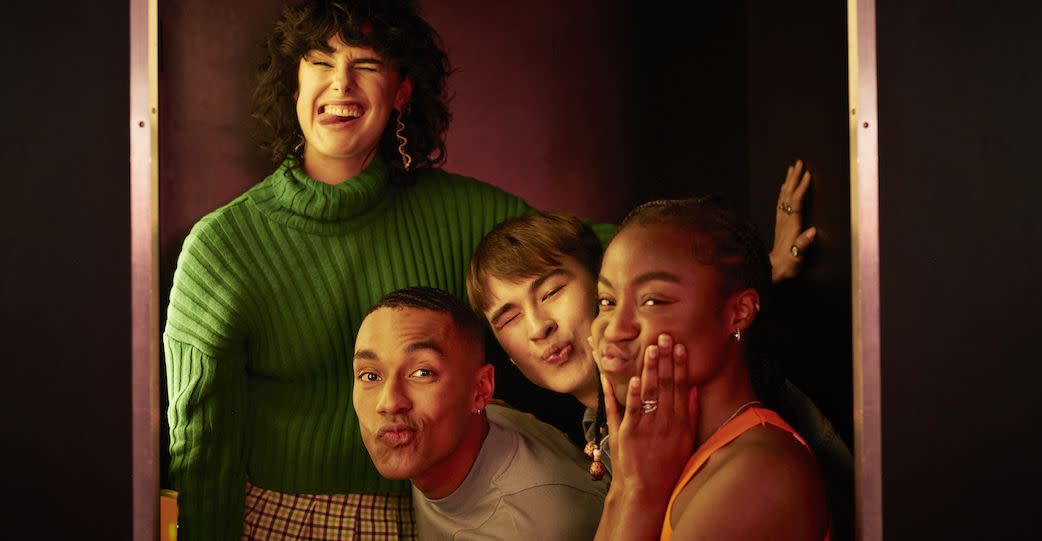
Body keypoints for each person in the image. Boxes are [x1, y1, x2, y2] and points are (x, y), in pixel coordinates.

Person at [161, 1, 586, 538]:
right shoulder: (222, 247)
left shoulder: (469, 215)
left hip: (455, 518)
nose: (341, 84)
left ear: (401, 92)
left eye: (365, 66)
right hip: (282, 524)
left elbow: (605, 255)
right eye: (320, 61)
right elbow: (202, 449)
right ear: (294, 83)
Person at [465, 206, 853, 527]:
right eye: (509, 319)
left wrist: (762, 270)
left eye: (552, 292)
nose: (538, 326)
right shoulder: (595, 425)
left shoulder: (745, 445)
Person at [590, 196, 830, 540]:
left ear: (739, 312)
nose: (614, 329)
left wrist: (640, 493)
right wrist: (626, 488)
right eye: (607, 302)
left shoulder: (762, 473)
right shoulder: (654, 458)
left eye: (654, 301)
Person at [352, 286, 607, 540]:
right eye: (370, 375)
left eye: (422, 373)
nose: (388, 402)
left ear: (480, 390)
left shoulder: (540, 526)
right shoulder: (429, 436)